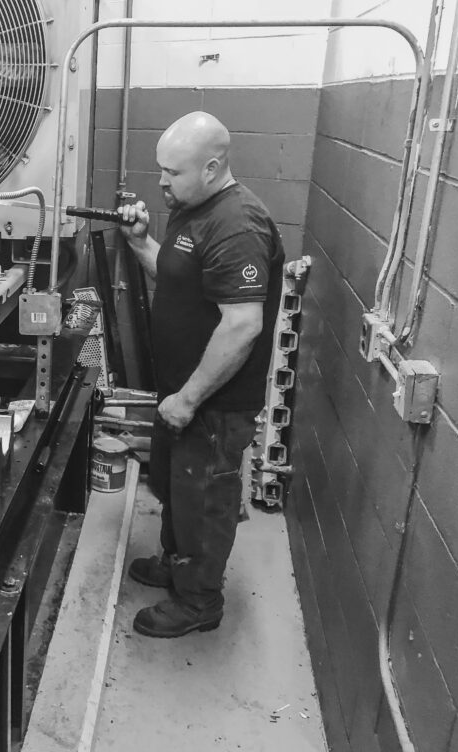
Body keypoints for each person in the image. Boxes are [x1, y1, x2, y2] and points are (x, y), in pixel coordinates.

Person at [118, 111, 285, 639]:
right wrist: (142, 242)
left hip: (212, 402)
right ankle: (175, 563)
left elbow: (241, 326)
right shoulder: (191, 209)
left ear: (213, 168)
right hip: (182, 392)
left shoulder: (236, 225)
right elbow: (176, 278)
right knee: (175, 488)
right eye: (161, 170)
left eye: (174, 172)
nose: (162, 181)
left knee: (204, 500)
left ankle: (198, 602)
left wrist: (188, 398)